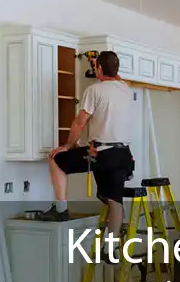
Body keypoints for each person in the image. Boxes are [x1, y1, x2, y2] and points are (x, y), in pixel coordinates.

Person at [39, 51, 134, 245]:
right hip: (124, 155)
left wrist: (68, 145)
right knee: (115, 200)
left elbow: (79, 123)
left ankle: (60, 210)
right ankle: (110, 247)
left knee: (56, 160)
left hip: (100, 153)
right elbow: (114, 76)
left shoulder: (94, 90)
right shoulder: (125, 88)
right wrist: (101, 64)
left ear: (99, 68)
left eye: (96, 67)